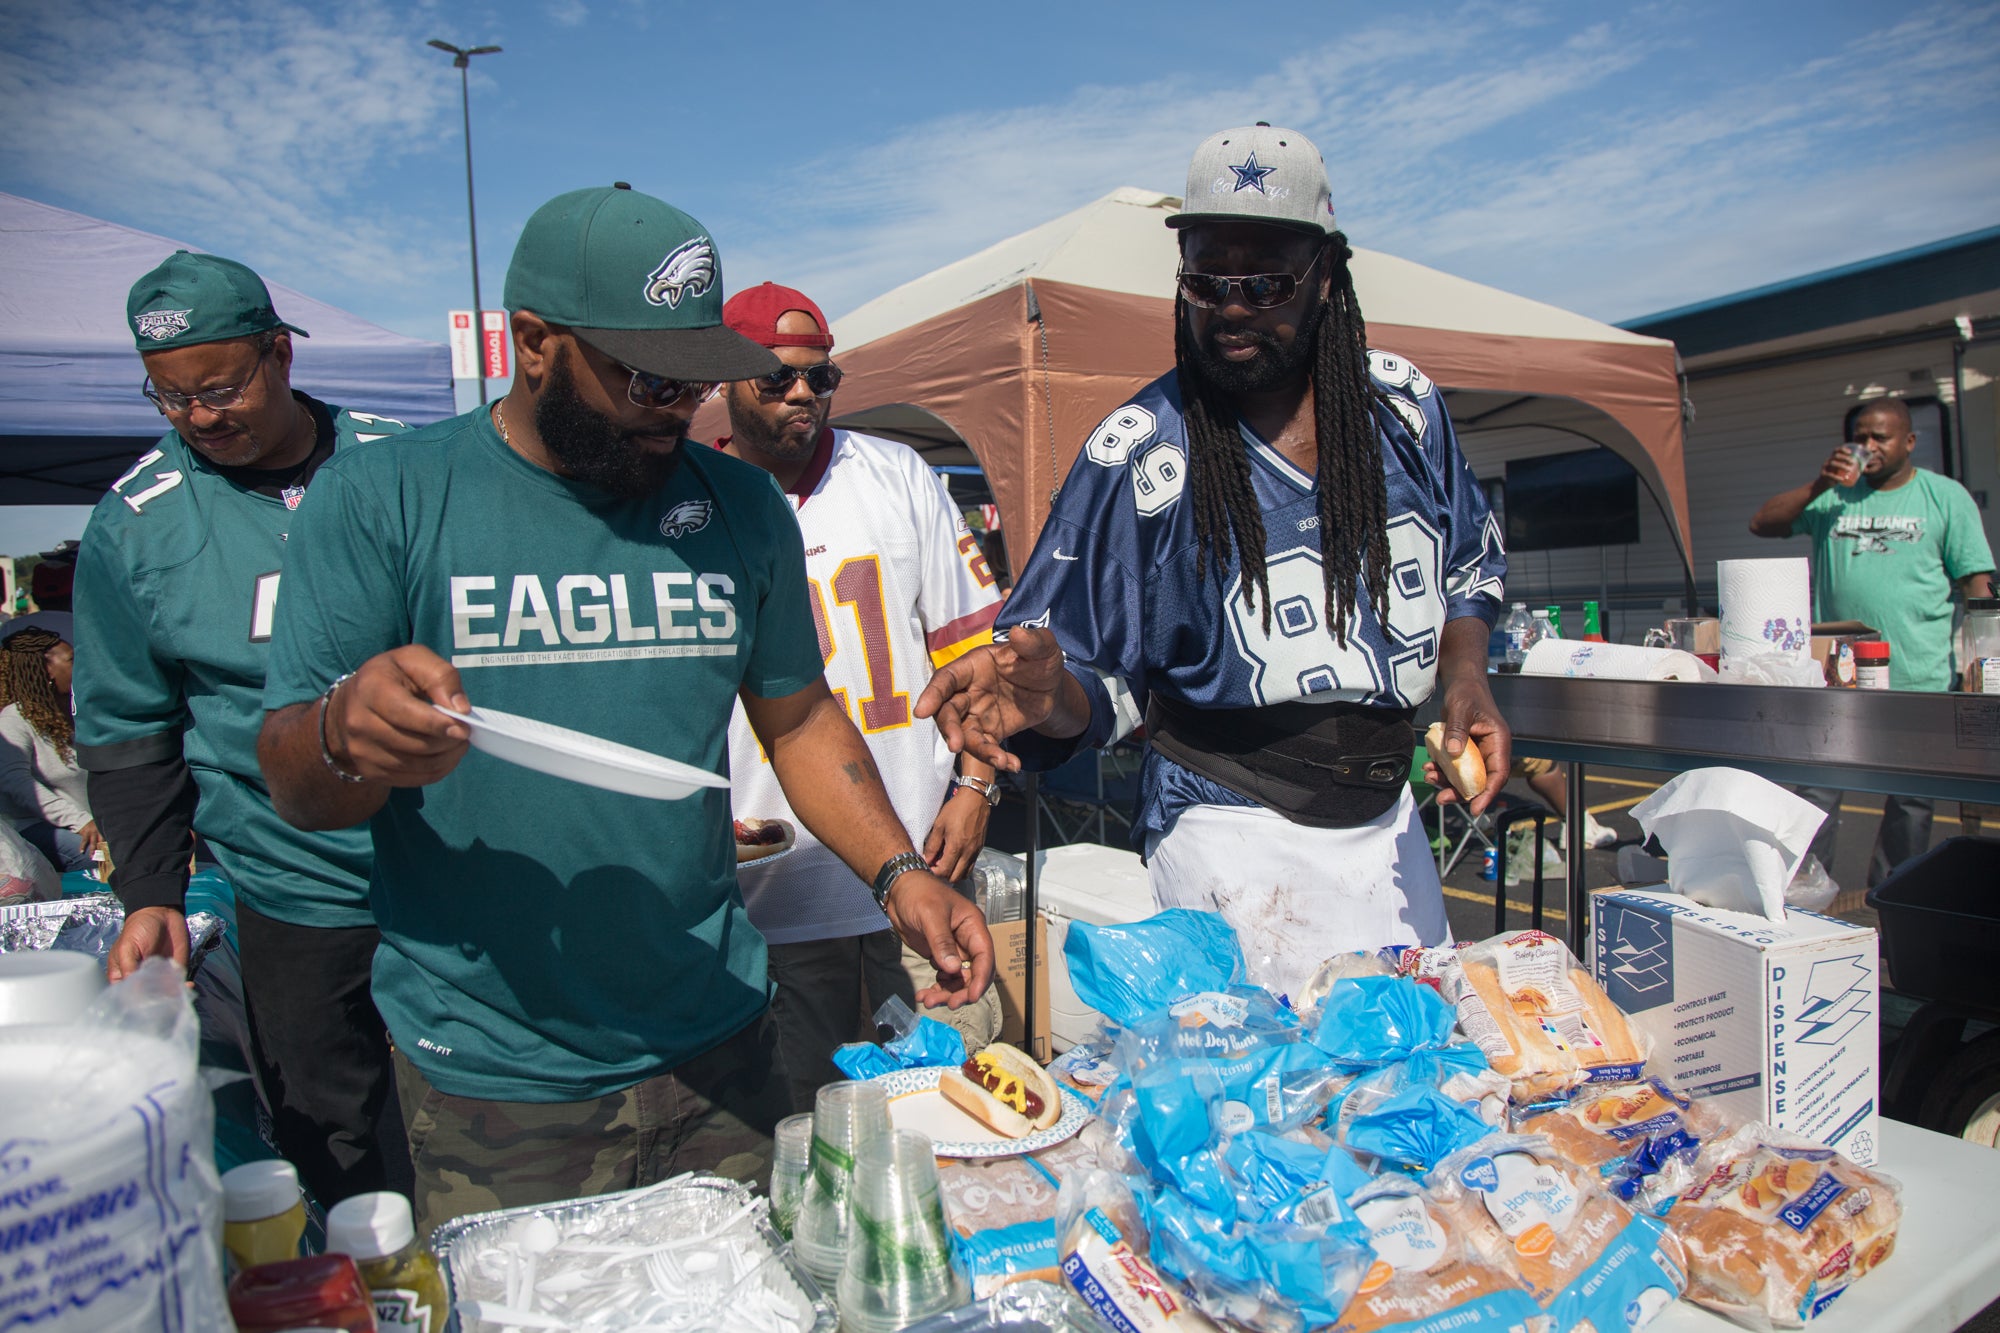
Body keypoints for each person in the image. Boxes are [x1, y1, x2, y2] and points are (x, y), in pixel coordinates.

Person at [255, 185, 994, 1234]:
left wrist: (898, 872)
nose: (673, 409)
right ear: (534, 343)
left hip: (720, 1040)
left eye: (691, 382)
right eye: (643, 376)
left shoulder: (735, 506)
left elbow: (797, 719)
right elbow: (292, 778)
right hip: (500, 1074)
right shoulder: (388, 499)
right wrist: (343, 733)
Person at [918, 125, 1510, 998]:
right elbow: (1087, 683)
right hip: (1233, 832)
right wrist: (1049, 696)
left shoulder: (1403, 407)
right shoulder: (1139, 453)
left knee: (1416, 1090)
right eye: (1206, 278)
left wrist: (1466, 677)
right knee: (1269, 1107)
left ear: (1327, 276)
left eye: (1265, 281)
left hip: (1391, 826)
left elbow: (1467, 566)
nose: (1232, 305)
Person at [73, 251, 413, 1207]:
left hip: (447, 863)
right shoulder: (135, 526)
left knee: (469, 1103)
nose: (199, 417)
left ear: (280, 354)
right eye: (170, 398)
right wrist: (151, 890)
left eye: (219, 388)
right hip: (291, 882)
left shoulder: (406, 463)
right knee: (329, 1128)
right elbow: (128, 725)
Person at [714, 282, 1006, 1110]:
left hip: (919, 883)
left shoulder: (896, 474)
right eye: (775, 378)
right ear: (724, 384)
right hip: (769, 894)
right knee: (799, 1141)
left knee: (948, 1118)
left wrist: (979, 789)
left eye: (820, 376)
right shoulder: (689, 502)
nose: (802, 393)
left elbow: (976, 663)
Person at [1750, 397, 1994, 884]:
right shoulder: (1834, 496)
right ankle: (1804, 893)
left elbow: (1976, 583)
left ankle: (1894, 898)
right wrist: (1821, 483)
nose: (1867, 447)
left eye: (1880, 437)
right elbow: (1763, 523)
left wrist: (1985, 658)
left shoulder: (1945, 497)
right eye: (1859, 437)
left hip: (1919, 675)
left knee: (1911, 801)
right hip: (1839, 677)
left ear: (1908, 442)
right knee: (1818, 791)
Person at [0, 620, 100, 874]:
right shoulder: (13, 720)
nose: (81, 667)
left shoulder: (71, 716)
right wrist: (80, 821)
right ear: (47, 670)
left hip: (82, 825)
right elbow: (16, 783)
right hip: (29, 829)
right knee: (97, 861)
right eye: (71, 660)